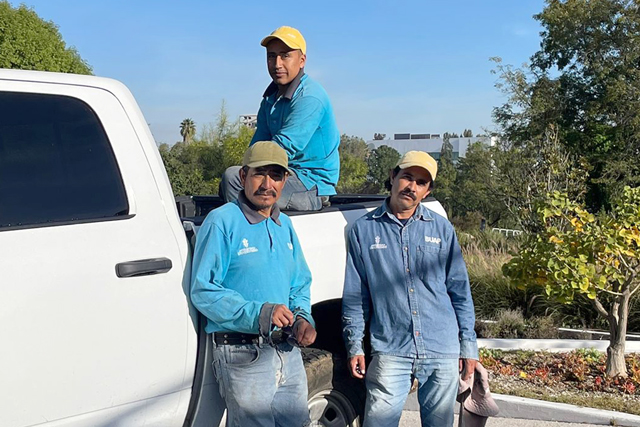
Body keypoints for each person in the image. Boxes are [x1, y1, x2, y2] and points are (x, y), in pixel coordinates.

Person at [341, 151, 478, 427]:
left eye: (421, 182)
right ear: (393, 177)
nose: (411, 187)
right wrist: (354, 344)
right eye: (407, 177)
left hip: (442, 347)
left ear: (427, 191)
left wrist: (469, 346)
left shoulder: (442, 229)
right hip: (391, 347)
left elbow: (459, 291)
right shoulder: (363, 231)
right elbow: (356, 296)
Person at [192, 141, 317, 427]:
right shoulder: (222, 221)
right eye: (260, 174)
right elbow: (204, 289)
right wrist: (260, 312)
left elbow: (299, 283)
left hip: (287, 349)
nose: (267, 184)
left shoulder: (283, 224)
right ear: (244, 176)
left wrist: (301, 319)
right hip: (242, 354)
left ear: (285, 180)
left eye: (276, 175)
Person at [220, 26, 340, 211]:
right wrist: (248, 171)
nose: (277, 64)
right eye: (271, 56)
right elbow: (257, 147)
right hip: (281, 174)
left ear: (301, 61)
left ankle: (247, 233)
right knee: (239, 176)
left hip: (309, 185)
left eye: (285, 55)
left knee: (235, 179)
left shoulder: (310, 97)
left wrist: (250, 175)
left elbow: (283, 148)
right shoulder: (270, 99)